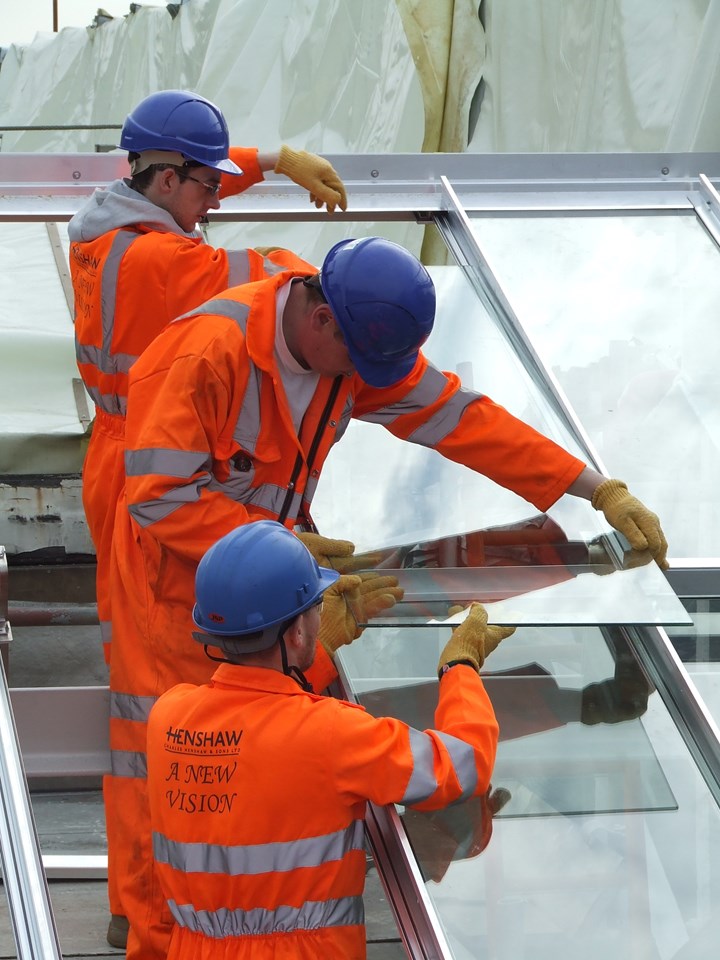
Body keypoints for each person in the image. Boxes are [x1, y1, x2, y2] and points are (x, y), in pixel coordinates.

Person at [110, 234, 668, 958]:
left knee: (218, 763)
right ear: (321, 324)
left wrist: (594, 489)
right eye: (364, 365)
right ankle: (144, 926)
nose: (371, 383)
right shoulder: (203, 359)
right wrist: (459, 668)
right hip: (176, 585)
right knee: (185, 787)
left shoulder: (350, 345)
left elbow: (467, 421)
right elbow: (155, 499)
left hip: (273, 580)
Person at [68, 87, 343, 949]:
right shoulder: (164, 265)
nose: (217, 198)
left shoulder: (105, 227)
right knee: (164, 702)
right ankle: (152, 913)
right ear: (162, 177)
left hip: (119, 454)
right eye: (207, 185)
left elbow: (190, 193)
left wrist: (267, 161)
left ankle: (131, 897)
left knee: (135, 715)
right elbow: (280, 284)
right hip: (141, 468)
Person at [146, 520, 513, 958]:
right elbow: (461, 767)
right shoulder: (334, 734)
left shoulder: (168, 716)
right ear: (298, 631)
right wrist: (461, 669)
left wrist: (313, 657)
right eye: (316, 606)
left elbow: (255, 723)